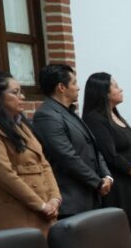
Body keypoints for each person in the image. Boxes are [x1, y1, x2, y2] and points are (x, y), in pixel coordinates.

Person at [0, 71, 60, 234]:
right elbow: (4, 174)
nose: (22, 97)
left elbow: (43, 163)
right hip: (13, 211)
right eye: (15, 92)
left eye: (21, 91)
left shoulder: (20, 122)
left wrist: (55, 199)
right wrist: (41, 205)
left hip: (44, 209)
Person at [32, 63, 111, 217]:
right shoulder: (46, 115)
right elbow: (66, 156)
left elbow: (93, 147)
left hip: (91, 194)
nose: (78, 88)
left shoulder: (69, 112)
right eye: (74, 83)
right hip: (72, 199)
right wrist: (97, 182)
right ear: (61, 87)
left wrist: (106, 176)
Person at [82, 72, 131, 242]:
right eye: (116, 86)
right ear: (104, 92)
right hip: (118, 184)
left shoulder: (115, 114)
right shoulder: (95, 118)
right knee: (125, 232)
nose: (121, 89)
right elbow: (111, 156)